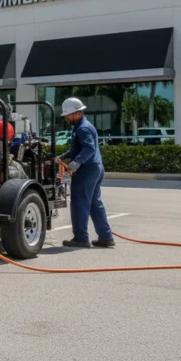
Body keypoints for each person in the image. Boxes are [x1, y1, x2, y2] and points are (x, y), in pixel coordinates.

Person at [58, 97, 114, 248]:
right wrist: (62, 157)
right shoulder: (80, 127)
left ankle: (81, 238)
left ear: (78, 113)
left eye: (68, 115)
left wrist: (75, 164)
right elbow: (76, 149)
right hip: (95, 168)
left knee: (79, 202)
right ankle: (106, 237)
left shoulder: (83, 128)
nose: (67, 118)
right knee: (95, 204)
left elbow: (89, 149)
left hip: (87, 171)